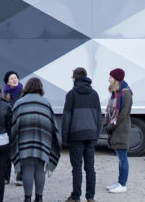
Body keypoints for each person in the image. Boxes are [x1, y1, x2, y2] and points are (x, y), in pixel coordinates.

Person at [10, 77, 60, 202]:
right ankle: (39, 198)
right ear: (40, 88)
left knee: (27, 168)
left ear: (27, 87)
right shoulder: (45, 103)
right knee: (39, 168)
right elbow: (53, 126)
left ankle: (27, 198)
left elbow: (14, 125)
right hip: (43, 142)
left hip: (24, 142)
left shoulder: (20, 103)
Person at [61, 67, 102, 202]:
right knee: (90, 167)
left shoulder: (71, 94)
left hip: (76, 135)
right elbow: (98, 117)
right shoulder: (94, 94)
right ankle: (90, 197)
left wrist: (65, 138)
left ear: (75, 78)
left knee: (77, 167)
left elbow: (67, 117)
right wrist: (96, 134)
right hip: (91, 135)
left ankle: (76, 196)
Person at [104, 68, 132, 194]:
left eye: (111, 77)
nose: (109, 79)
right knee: (120, 157)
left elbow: (124, 112)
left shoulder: (125, 93)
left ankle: (123, 184)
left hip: (121, 129)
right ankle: (120, 182)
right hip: (116, 128)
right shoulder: (116, 93)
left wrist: (112, 125)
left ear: (116, 79)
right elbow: (111, 110)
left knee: (122, 157)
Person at [1, 71, 23, 185]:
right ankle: (5, 177)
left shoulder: (23, 93)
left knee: (19, 152)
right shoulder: (4, 95)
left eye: (16, 78)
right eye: (12, 79)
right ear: (7, 82)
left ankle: (20, 177)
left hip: (19, 126)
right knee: (6, 153)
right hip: (7, 127)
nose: (15, 80)